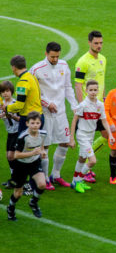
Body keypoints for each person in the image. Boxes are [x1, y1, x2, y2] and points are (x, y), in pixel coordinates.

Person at [30, 42, 79, 189]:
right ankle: (44, 178)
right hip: (45, 113)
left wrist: (74, 105)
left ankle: (56, 175)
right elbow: (33, 92)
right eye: (52, 57)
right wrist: (47, 103)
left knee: (64, 142)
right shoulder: (36, 69)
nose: (55, 59)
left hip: (61, 113)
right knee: (46, 146)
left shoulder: (63, 65)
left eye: (57, 56)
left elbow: (68, 86)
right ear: (46, 54)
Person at [69, 80, 114, 193]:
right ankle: (78, 181)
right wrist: (71, 138)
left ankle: (74, 181)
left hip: (90, 135)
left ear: (98, 90)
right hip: (82, 135)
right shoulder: (83, 105)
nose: (93, 92)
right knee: (92, 161)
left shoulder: (100, 105)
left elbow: (104, 121)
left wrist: (111, 134)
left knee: (82, 158)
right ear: (86, 91)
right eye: (91, 90)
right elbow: (74, 120)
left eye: (95, 90)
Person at [6, 111, 47, 221]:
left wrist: (43, 153)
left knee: (42, 184)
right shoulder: (23, 137)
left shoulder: (43, 134)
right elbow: (16, 155)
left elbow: (41, 146)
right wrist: (33, 153)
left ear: (40, 124)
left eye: (37, 123)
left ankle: (33, 202)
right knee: (18, 194)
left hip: (34, 163)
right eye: (32, 123)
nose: (35, 125)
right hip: (21, 165)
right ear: (27, 123)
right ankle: (10, 208)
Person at [74, 30, 108, 154]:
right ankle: (85, 168)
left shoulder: (103, 59)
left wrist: (104, 99)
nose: (99, 45)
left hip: (99, 105)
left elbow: (102, 81)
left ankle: (87, 158)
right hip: (87, 106)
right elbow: (78, 84)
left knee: (107, 135)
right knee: (87, 138)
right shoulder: (82, 62)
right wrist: (81, 105)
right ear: (89, 42)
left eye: (101, 43)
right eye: (96, 43)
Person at [3, 55, 42, 134]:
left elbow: (19, 105)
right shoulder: (32, 77)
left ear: (14, 67)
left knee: (24, 145)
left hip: (29, 119)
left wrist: (6, 108)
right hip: (39, 117)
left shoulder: (23, 82)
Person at [1, 82, 20, 188]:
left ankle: (17, 178)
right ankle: (14, 178)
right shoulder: (1, 104)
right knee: (9, 157)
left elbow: (22, 119)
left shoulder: (15, 103)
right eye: (3, 91)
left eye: (7, 91)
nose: (5, 94)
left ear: (11, 91)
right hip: (10, 133)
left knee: (11, 156)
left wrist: (11, 116)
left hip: (17, 132)